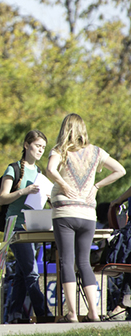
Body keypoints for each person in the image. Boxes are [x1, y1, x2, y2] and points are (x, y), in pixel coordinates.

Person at [46, 113, 126, 322]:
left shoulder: (60, 151)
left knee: (66, 262)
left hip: (64, 212)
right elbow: (120, 170)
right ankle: (93, 311)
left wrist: (63, 185)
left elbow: (50, 170)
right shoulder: (97, 152)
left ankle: (72, 313)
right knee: (84, 262)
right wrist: (97, 186)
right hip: (87, 214)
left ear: (65, 129)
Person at [0, 130, 52, 322]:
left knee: (21, 273)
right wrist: (24, 191)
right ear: (26, 145)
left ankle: (14, 315)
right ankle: (44, 313)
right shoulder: (13, 169)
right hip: (15, 226)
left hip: (32, 227)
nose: (40, 151)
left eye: (43, 148)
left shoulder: (39, 173)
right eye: (37, 146)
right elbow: (2, 198)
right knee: (31, 272)